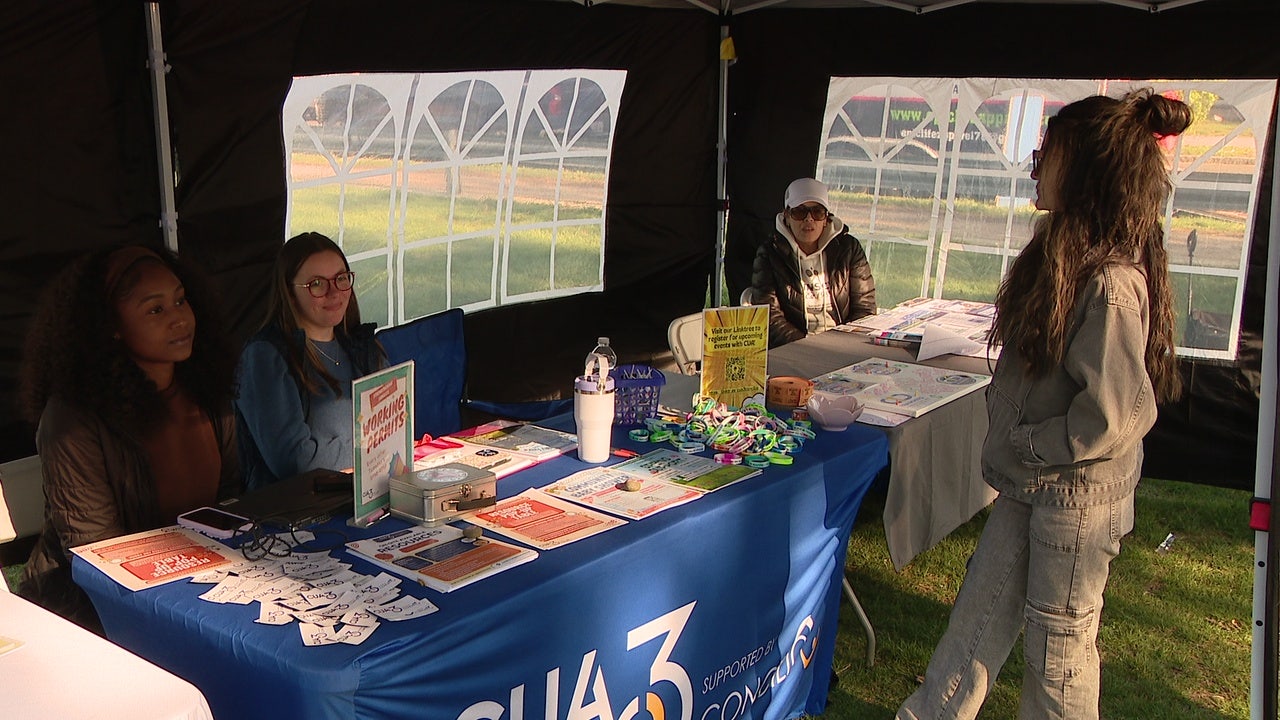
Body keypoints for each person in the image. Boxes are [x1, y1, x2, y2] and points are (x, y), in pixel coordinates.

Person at [896, 89, 1191, 720]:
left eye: (1045, 154)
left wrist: (1032, 444)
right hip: (1034, 483)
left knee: (1058, 652)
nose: (1033, 167)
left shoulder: (1111, 284)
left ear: (1082, 167)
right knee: (977, 621)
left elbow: (1115, 413)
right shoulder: (1061, 253)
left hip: (1076, 498)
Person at [17, 245, 240, 632]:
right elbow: (97, 552)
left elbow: (233, 503)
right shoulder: (71, 420)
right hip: (94, 611)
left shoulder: (207, 391)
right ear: (112, 326)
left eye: (180, 300)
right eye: (155, 310)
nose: (179, 318)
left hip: (204, 590)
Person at [235, 232, 385, 489]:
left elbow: (397, 429)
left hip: (368, 496)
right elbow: (297, 463)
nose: (334, 292)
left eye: (341, 278)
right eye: (317, 284)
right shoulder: (265, 356)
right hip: (298, 507)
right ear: (290, 293)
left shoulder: (361, 345)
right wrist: (372, 449)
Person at [750, 177, 876, 348]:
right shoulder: (769, 253)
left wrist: (843, 346)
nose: (809, 219)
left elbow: (865, 307)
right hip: (795, 348)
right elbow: (769, 316)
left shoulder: (849, 248)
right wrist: (806, 347)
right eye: (799, 212)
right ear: (787, 216)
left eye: (817, 212)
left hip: (843, 347)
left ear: (826, 219)